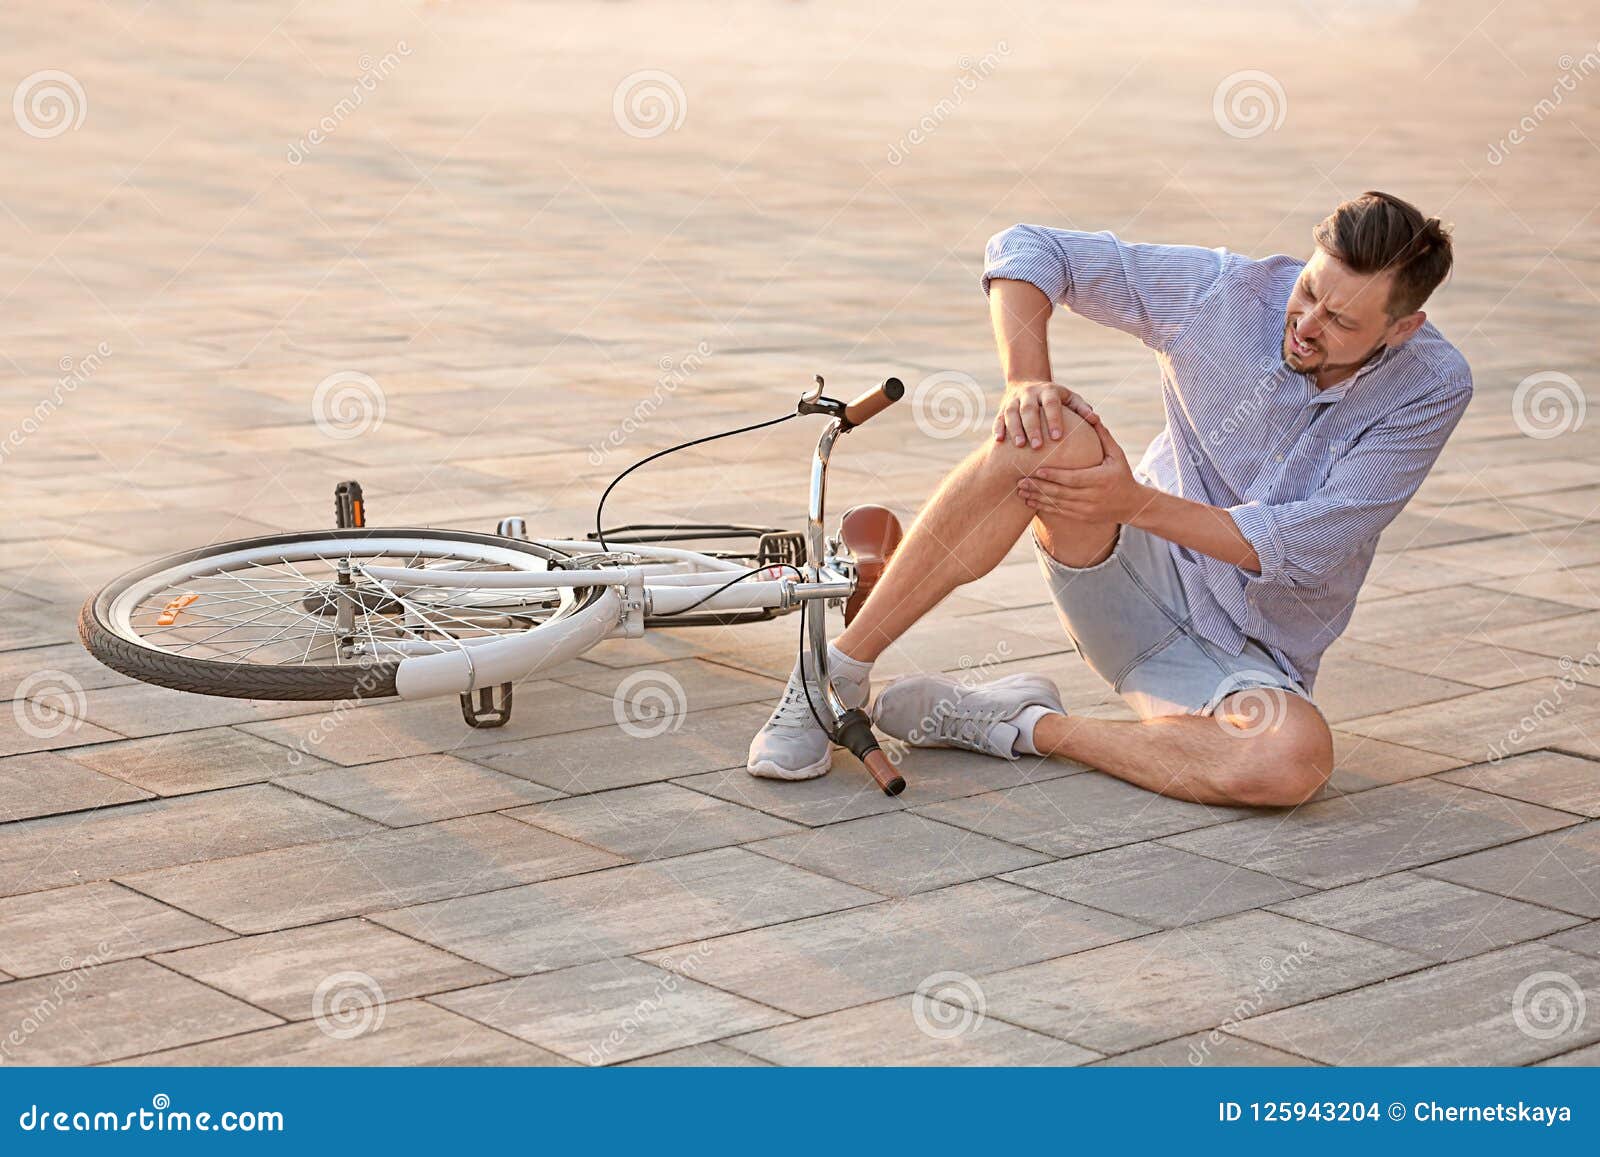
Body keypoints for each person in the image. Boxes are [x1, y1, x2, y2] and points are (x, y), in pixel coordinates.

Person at [747, 190, 1468, 807]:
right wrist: (1026, 380)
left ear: (1405, 329)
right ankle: (830, 672)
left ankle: (1014, 722)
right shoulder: (1226, 292)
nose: (1307, 324)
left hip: (1246, 653)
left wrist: (1131, 500)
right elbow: (1029, 248)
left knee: (1296, 759)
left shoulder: (1433, 387)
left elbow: (1304, 540)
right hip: (1122, 571)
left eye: (1342, 322)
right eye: (1309, 291)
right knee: (1044, 431)